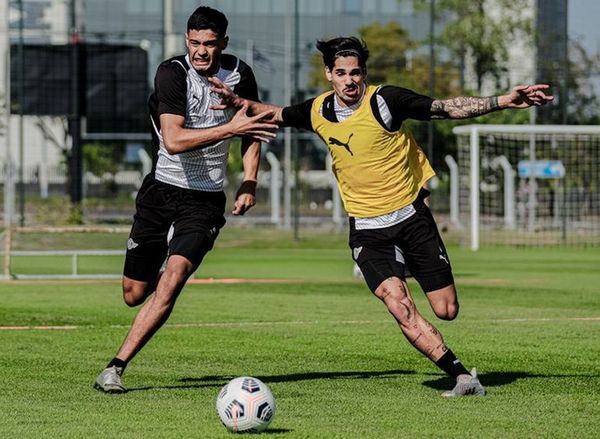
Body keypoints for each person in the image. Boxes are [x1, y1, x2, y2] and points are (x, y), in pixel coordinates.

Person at [210, 36, 553, 397]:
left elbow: (447, 107)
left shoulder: (385, 101)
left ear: (365, 74)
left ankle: (408, 264)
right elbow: (277, 113)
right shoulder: (317, 111)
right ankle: (461, 376)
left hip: (411, 218)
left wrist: (503, 101)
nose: (349, 80)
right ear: (329, 74)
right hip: (368, 231)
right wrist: (241, 103)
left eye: (355, 73)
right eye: (341, 73)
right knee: (400, 306)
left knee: (446, 309)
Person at [94, 6, 277, 393]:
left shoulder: (241, 75)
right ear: (186, 40)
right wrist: (232, 125)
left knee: (174, 276)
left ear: (223, 43)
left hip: (205, 199)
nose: (201, 52)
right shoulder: (172, 73)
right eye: (195, 43)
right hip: (161, 190)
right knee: (133, 294)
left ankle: (115, 368)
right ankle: (156, 294)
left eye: (210, 44)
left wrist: (250, 181)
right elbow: (174, 142)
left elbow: (252, 132)